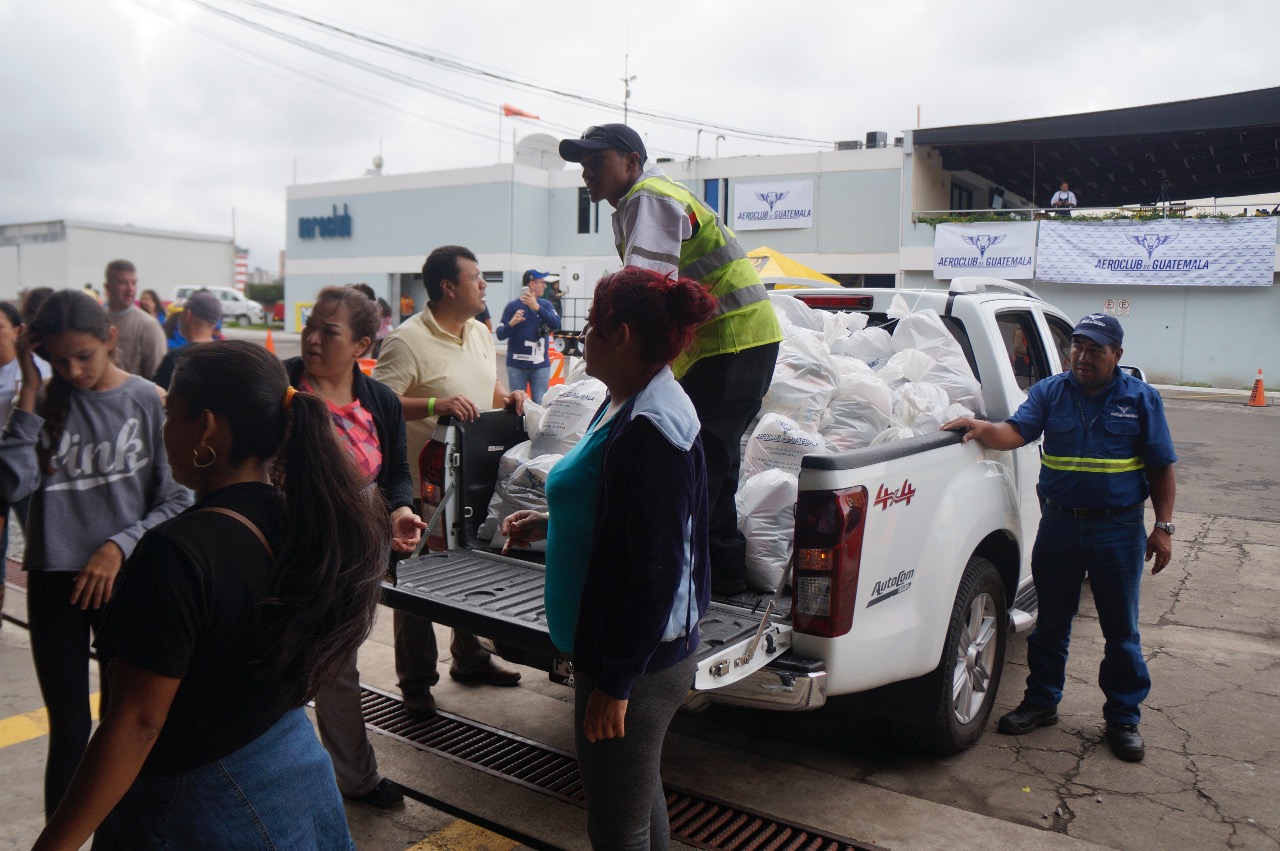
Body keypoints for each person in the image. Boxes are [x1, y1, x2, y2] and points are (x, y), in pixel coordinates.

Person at [32, 340, 388, 850]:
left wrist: (55, 844)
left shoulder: (176, 554)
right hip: (293, 768)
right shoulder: (309, 521)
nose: (163, 430)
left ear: (207, 428)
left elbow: (136, 725)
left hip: (200, 805)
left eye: (171, 414)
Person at [502, 268, 714, 850]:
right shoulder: (628, 402)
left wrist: (617, 681)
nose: (583, 338)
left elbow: (656, 569)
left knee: (616, 826)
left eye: (592, 327)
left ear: (620, 335)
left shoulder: (650, 430)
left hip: (637, 660)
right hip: (625, 651)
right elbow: (620, 513)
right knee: (638, 802)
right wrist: (552, 523)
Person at [559, 123, 783, 595]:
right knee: (709, 458)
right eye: (583, 164)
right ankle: (720, 571)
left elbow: (646, 290)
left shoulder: (649, 197)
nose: (587, 172)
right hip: (730, 345)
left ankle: (701, 577)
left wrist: (627, 362)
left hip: (734, 342)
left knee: (697, 461)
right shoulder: (638, 202)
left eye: (597, 161)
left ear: (632, 161)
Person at [942, 313, 1177, 763]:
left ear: (1117, 355)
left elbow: (1162, 466)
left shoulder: (1141, 399)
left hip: (1119, 529)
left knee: (1120, 631)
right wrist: (981, 428)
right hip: (1061, 526)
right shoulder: (1052, 391)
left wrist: (1163, 527)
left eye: (1096, 350)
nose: (1083, 357)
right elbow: (1017, 431)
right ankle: (1042, 702)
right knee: (1050, 623)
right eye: (1078, 347)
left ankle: (1124, 718)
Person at [0, 291, 191, 819]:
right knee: (69, 730)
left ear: (110, 338)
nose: (74, 369)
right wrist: (31, 389)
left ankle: (121, 836)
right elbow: (9, 482)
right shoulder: (33, 402)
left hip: (126, 580)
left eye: (83, 355)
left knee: (123, 725)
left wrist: (117, 545)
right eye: (59, 360)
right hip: (53, 581)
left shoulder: (148, 401)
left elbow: (178, 498)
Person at [372, 245, 526, 717]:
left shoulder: (480, 332)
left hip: (472, 479)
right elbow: (382, 403)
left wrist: (511, 396)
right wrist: (438, 405)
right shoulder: (406, 339)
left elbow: (486, 388)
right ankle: (416, 683)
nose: (484, 286)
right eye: (476, 277)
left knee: (466, 570)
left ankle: (470, 657)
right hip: (424, 485)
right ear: (448, 287)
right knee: (417, 584)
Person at [288, 284, 425, 808]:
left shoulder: (380, 401)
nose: (313, 339)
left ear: (362, 344)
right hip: (288, 551)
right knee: (280, 667)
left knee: (337, 668)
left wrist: (400, 511)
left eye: (329, 331)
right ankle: (277, 771)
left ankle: (355, 778)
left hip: (354, 557)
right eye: (310, 326)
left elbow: (395, 473)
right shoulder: (280, 391)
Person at [495, 269, 562, 404]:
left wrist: (537, 308)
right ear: (532, 284)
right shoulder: (512, 306)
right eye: (542, 282)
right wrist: (511, 323)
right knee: (518, 404)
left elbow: (556, 324)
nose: (544, 286)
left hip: (540, 365)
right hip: (516, 365)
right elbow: (500, 334)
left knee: (540, 402)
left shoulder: (546, 305)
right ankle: (520, 426)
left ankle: (537, 426)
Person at [102, 260, 167, 378]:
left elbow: (157, 377)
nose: (130, 289)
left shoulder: (149, 326)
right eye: (121, 282)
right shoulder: (96, 320)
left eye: (133, 283)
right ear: (107, 287)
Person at [152, 290, 221, 390]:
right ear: (214, 323)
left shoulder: (176, 358)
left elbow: (158, 395)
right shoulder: (224, 355)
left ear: (187, 315)